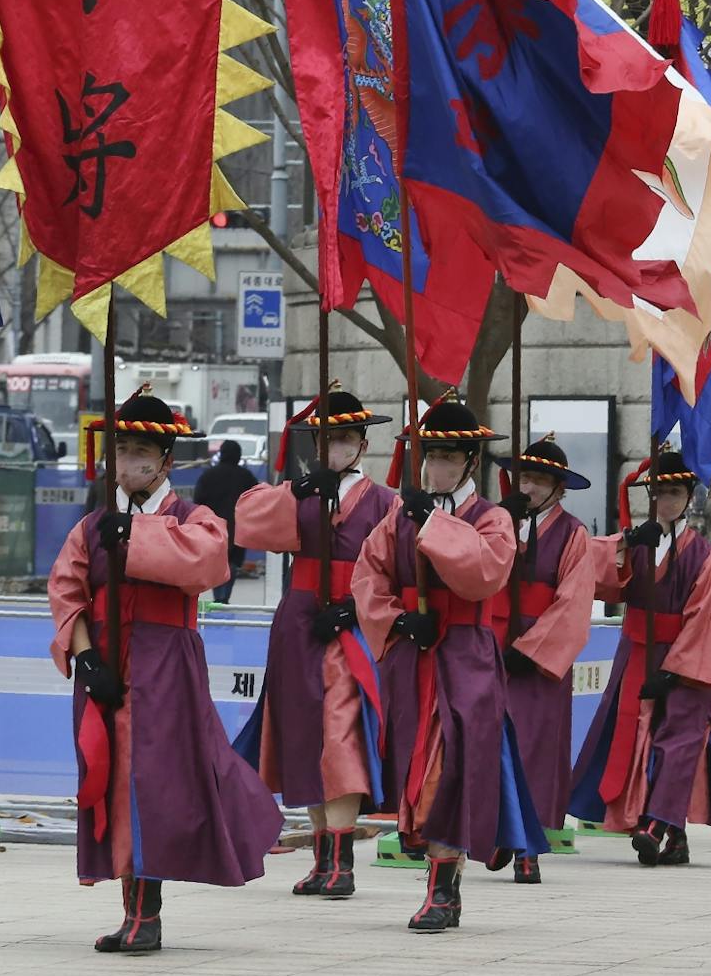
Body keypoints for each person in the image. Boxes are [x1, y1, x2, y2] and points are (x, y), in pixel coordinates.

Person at [46, 387, 282, 955]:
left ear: (166, 462)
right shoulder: (93, 524)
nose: (128, 462)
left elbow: (203, 564)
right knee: (110, 777)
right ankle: (133, 909)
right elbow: (66, 591)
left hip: (166, 662)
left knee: (156, 780)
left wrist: (133, 536)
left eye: (141, 452)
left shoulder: (192, 517)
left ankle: (147, 913)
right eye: (121, 450)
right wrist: (86, 656)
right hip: (104, 662)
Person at [350, 392, 547, 933]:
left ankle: (443, 889)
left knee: (451, 765)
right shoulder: (397, 517)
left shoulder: (493, 519)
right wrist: (395, 619)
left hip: (466, 655)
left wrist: (432, 526)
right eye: (430, 454)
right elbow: (368, 575)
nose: (437, 466)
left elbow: (483, 573)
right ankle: (440, 871)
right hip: (414, 655)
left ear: (470, 462)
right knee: (419, 765)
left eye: (448, 456)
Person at [233, 386, 399, 900]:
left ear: (363, 446)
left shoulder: (385, 502)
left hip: (351, 623)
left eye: (347, 439)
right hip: (299, 621)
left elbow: (397, 567)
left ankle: (343, 858)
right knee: (304, 734)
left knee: (340, 731)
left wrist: (352, 608)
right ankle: (323, 855)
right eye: (329, 440)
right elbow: (247, 522)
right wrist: (300, 492)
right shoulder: (298, 492)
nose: (337, 448)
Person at [566, 447, 711, 864]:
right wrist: (625, 542)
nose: (667, 500)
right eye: (659, 492)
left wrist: (677, 670)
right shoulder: (639, 542)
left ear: (689, 495)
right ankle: (670, 834)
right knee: (637, 740)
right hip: (636, 652)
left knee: (679, 741)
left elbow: (706, 617)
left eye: (676, 492)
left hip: (681, 663)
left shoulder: (704, 556)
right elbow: (593, 570)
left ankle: (656, 823)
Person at [491, 433, 600, 881]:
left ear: (559, 487)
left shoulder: (574, 533)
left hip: (538, 655)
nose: (529, 488)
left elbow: (574, 602)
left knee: (534, 748)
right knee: (488, 741)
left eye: (539, 480)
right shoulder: (496, 522)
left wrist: (533, 648)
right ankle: (495, 830)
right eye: (525, 477)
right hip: (491, 642)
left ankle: (527, 847)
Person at [193, 439, 259, 604]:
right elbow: (257, 499)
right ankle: (225, 597)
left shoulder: (208, 476)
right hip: (239, 528)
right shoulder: (246, 476)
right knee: (233, 563)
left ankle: (218, 597)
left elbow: (198, 501)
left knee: (218, 561)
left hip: (214, 527)